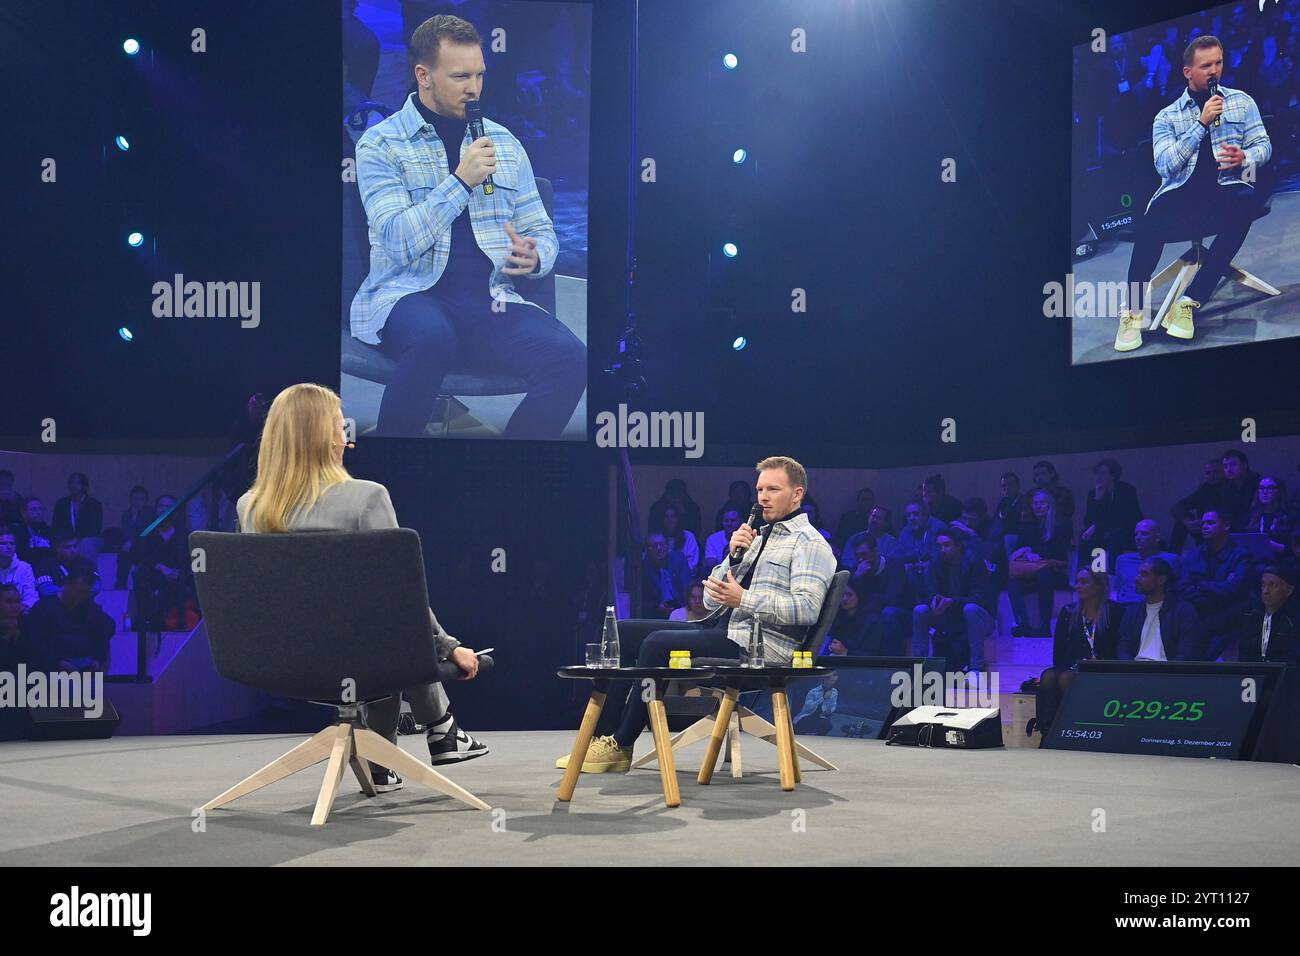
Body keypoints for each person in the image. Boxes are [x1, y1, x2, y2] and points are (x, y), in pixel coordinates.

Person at [236, 383, 487, 791]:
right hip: (364, 655)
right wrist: (449, 646)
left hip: (282, 658)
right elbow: (402, 596)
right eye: (340, 427)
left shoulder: (250, 506)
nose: (346, 437)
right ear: (325, 438)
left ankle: (382, 759)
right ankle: (440, 726)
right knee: (385, 620)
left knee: (366, 622)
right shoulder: (366, 497)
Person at [349, 14, 584, 438]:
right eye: (460, 76)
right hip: (409, 293)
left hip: (489, 300)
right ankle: (387, 477)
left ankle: (513, 475)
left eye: (479, 75)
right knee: (433, 338)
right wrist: (459, 182)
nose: (473, 88)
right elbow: (397, 241)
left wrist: (535, 257)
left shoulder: (505, 143)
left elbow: (542, 231)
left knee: (571, 360)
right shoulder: (381, 144)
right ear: (423, 75)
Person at [557, 456, 834, 774]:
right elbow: (711, 600)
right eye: (760, 489)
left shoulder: (810, 545)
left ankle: (622, 743)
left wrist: (744, 598)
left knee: (656, 644)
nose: (762, 497)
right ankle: (601, 738)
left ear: (797, 494)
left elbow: (807, 608)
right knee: (623, 631)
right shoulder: (757, 538)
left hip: (760, 648)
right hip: (723, 629)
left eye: (773, 489)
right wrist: (732, 557)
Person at [1113, 35, 1271, 350]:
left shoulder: (1242, 101)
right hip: (1178, 196)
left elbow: (1263, 145)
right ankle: (1131, 312)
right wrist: (1200, 124)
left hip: (1224, 191)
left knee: (1247, 201)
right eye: (1205, 66)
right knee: (1148, 225)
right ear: (1188, 72)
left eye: (1218, 63)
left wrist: (1246, 158)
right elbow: (1165, 167)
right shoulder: (1166, 117)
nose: (1214, 71)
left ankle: (1189, 302)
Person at [1035, 569, 1124, 736]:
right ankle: (1048, 732)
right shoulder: (1069, 612)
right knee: (1048, 676)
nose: (1078, 586)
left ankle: (1074, 730)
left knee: (1066, 678)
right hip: (1073, 666)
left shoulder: (1114, 611)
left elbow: (1119, 644)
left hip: (1104, 666)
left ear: (1098, 586)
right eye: (1077, 582)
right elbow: (1059, 650)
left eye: (1084, 582)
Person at [912, 529, 995, 671]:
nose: (942, 550)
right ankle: (919, 666)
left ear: (959, 546)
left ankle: (976, 668)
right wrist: (933, 602)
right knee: (920, 610)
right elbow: (925, 593)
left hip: (979, 618)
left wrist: (952, 601)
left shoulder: (975, 563)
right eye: (939, 546)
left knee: (971, 609)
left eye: (947, 545)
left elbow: (980, 598)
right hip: (946, 616)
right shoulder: (935, 564)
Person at [1179, 509, 1253, 660]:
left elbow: (1233, 589)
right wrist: (1212, 591)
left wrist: (1200, 585)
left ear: (1226, 526)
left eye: (1211, 523)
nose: (1204, 526)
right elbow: (1183, 588)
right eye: (1203, 523)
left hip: (1228, 611)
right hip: (1201, 609)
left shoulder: (1240, 554)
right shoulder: (1192, 555)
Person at [24, 558, 115, 673]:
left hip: (86, 662)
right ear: (66, 584)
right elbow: (36, 644)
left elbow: (108, 627)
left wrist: (98, 659)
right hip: (53, 666)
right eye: (75, 591)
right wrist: (57, 663)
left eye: (83, 593)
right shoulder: (44, 607)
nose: (78, 596)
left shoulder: (89, 607)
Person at [1008, 490, 1071, 636]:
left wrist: (1033, 552)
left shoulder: (1061, 526)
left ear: (1050, 505)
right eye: (1035, 503)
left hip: (1054, 573)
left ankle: (1044, 625)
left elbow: (1059, 555)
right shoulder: (1028, 526)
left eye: (1042, 503)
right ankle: (1022, 623)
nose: (1038, 506)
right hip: (1032, 573)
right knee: (1012, 582)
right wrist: (1027, 551)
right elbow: (1018, 550)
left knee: (1045, 575)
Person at [1117, 558, 1199, 661]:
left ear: (1161, 580)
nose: (1137, 578)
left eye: (1144, 574)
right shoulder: (1132, 612)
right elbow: (1124, 647)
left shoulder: (1183, 611)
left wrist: (1168, 673)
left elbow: (1186, 652)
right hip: (1135, 672)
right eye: (1138, 573)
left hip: (1167, 673)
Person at [1079, 458, 1142, 568]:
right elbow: (1088, 521)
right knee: (1085, 538)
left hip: (1127, 530)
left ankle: (1112, 574)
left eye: (1103, 473)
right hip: (1103, 531)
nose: (1098, 477)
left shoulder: (1127, 490)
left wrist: (1097, 526)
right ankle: (1095, 573)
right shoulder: (1093, 493)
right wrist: (1097, 500)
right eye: (1097, 473)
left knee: (1115, 537)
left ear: (1113, 476)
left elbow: (1125, 518)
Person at [1237, 565, 1300, 663]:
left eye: (1273, 585)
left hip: (1281, 674)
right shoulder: (1249, 611)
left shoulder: (1294, 619)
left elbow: (1294, 657)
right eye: (1263, 584)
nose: (1265, 591)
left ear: (1289, 590)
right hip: (1248, 673)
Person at [1114, 519, 1180, 604]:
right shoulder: (1123, 560)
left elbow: (1177, 591)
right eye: (1136, 534)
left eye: (1144, 534)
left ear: (1157, 538)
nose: (1138, 537)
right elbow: (1118, 588)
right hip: (1124, 608)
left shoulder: (1171, 559)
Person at [1170, 456, 1225, 553]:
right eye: (1208, 473)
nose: (1212, 476)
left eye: (1216, 472)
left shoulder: (1231, 488)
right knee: (1182, 520)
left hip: (1223, 528)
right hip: (1204, 529)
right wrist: (1188, 522)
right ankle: (1172, 555)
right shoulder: (1204, 490)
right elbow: (1178, 506)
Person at [638, 531, 694, 619]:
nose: (659, 548)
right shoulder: (643, 568)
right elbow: (641, 600)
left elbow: (688, 587)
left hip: (681, 609)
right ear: (647, 549)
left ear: (667, 546)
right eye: (654, 546)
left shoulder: (678, 559)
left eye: (662, 544)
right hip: (655, 614)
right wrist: (657, 607)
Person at [52, 472, 104, 562]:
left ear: (84, 486)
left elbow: (95, 529)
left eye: (77, 483)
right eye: (71, 482)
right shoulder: (61, 504)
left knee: (85, 544)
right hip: (66, 537)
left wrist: (76, 538)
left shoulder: (94, 504)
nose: (73, 485)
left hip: (88, 538)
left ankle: (90, 573)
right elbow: (56, 526)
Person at [1247, 476, 1294, 557]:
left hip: (1282, 561)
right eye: (1261, 488)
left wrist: (1279, 547)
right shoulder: (1253, 517)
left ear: (1279, 492)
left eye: (1270, 488)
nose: (1265, 492)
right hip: (1256, 561)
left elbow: (1295, 548)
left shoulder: (1290, 517)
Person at [117, 485, 153, 589]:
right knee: (123, 551)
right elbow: (126, 533)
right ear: (130, 500)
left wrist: (132, 541)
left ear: (146, 500)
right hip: (132, 547)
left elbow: (146, 533)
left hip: (148, 546)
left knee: (129, 549)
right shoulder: (126, 514)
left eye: (141, 499)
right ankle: (121, 584)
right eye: (135, 499)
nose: (138, 502)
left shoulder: (150, 513)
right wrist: (133, 517)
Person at [1219, 449, 1261, 531]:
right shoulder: (1227, 487)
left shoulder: (1258, 484)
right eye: (1225, 466)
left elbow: (1256, 513)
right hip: (1232, 530)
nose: (1229, 469)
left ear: (1244, 465)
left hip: (1253, 530)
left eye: (1233, 464)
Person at [651, 504, 700, 573]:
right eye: (666, 516)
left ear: (678, 519)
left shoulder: (688, 536)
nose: (669, 520)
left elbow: (693, 563)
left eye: (672, 516)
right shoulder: (657, 538)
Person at [0, 528, 38, 611]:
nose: (9, 547)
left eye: (12, 543)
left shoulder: (25, 568)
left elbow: (30, 597)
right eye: (3, 543)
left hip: (18, 613)